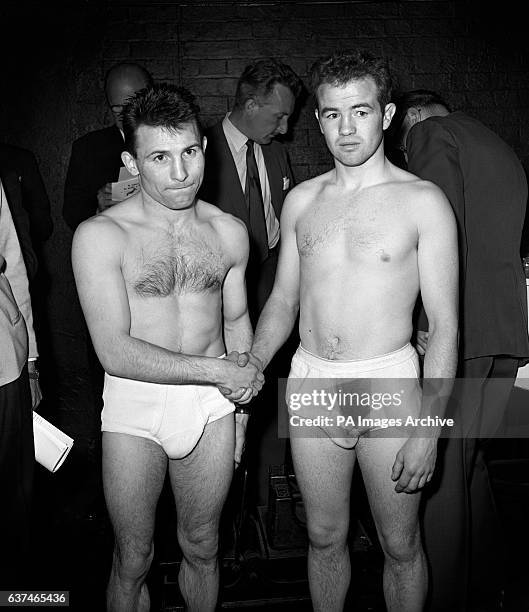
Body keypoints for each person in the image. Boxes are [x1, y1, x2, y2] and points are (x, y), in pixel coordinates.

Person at [246, 50, 458, 611]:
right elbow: (284, 300)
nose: (346, 128)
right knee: (323, 537)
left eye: (360, 112)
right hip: (313, 376)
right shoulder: (301, 202)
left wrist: (429, 430)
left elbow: (443, 327)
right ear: (317, 118)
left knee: (399, 543)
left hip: (387, 379)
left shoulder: (423, 202)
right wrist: (254, 361)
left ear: (385, 115)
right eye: (332, 113)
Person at [72, 83, 264, 611]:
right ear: (131, 161)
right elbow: (114, 351)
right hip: (136, 407)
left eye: (189, 153)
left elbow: (237, 321)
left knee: (203, 546)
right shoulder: (100, 236)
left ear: (203, 146)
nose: (180, 173)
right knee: (133, 557)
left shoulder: (229, 232)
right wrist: (221, 374)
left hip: (210, 409)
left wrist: (241, 412)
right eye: (159, 157)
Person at [392, 89, 529, 611]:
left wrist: (422, 323)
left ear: (413, 120)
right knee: (471, 468)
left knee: (443, 476)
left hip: (461, 333)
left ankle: (442, 599)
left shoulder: (432, 134)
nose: (407, 155)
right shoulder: (499, 145)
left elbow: (436, 233)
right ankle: (487, 582)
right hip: (506, 329)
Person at [199, 58, 303, 503]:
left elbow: (285, 229)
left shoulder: (276, 153)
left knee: (273, 399)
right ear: (250, 102)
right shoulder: (201, 153)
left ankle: (271, 497)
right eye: (278, 115)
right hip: (219, 303)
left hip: (272, 292)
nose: (284, 128)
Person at [0, 178, 42, 587]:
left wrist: (30, 362)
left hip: (3, 364)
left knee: (12, 500)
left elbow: (12, 261)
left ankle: (16, 595)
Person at [63, 62, 153, 231]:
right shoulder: (88, 148)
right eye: (116, 108)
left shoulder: (173, 140)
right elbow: (72, 214)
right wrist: (98, 209)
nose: (124, 115)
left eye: (131, 106)